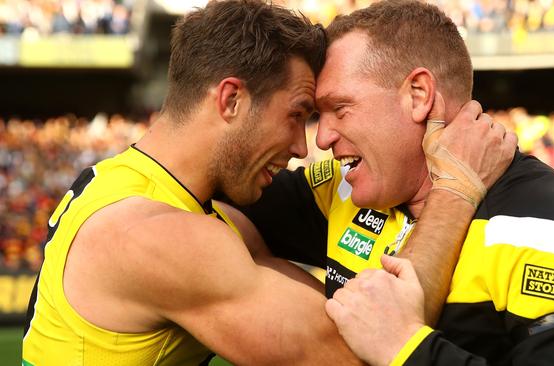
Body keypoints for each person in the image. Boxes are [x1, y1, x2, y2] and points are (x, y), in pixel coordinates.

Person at [240, 0, 554, 365]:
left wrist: (408, 349)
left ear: (418, 95)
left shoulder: (551, 232)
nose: (321, 138)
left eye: (339, 109)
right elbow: (216, 193)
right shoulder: (340, 189)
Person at [22, 1, 363, 364]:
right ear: (231, 99)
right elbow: (359, 353)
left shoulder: (121, 184)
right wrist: (434, 191)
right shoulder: (159, 237)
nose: (301, 146)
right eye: (296, 115)